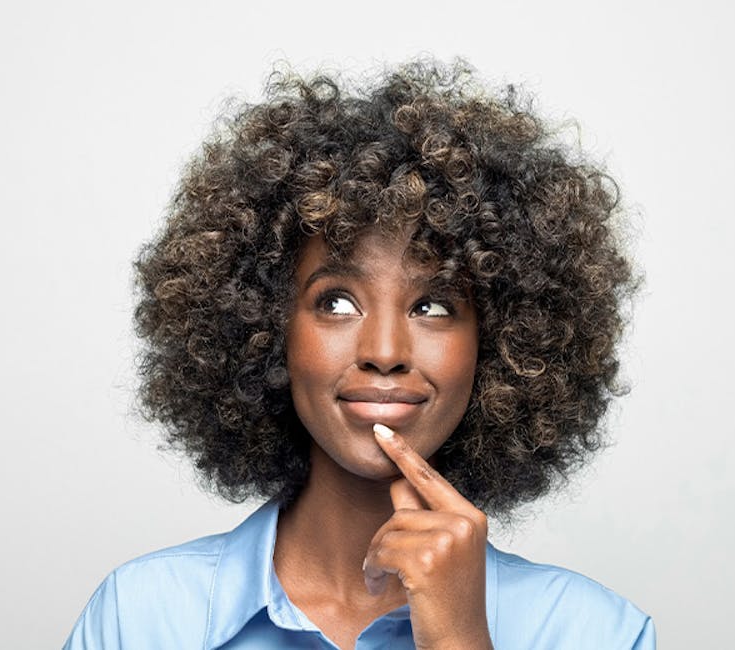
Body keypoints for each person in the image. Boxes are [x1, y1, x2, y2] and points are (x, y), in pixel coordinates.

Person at [64, 59, 654, 649]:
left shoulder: (596, 632)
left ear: (501, 345)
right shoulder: (139, 617)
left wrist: (458, 637)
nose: (385, 353)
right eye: (337, 302)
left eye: (434, 306)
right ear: (267, 328)